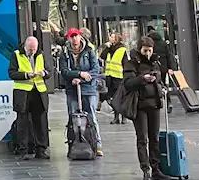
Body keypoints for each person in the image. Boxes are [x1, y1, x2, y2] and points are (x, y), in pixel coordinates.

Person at [123, 37, 167, 180]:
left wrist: (157, 80)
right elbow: (128, 83)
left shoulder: (156, 61)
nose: (147, 53)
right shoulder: (133, 62)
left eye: (150, 50)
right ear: (140, 49)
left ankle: (156, 168)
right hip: (140, 105)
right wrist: (143, 78)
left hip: (154, 102)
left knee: (154, 137)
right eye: (145, 50)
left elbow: (160, 78)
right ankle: (145, 169)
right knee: (142, 138)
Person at [55, 28, 103, 158]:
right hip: (72, 90)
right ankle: (74, 143)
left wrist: (81, 78)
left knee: (92, 117)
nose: (74, 39)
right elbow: (64, 72)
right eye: (71, 37)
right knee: (73, 118)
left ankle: (96, 144)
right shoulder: (64, 54)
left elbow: (95, 70)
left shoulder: (89, 51)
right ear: (68, 39)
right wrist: (78, 74)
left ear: (80, 37)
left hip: (88, 89)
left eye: (76, 36)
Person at [8, 36, 51, 159]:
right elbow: (11, 73)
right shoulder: (16, 55)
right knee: (23, 122)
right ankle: (23, 150)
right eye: (30, 50)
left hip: (39, 92)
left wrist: (44, 73)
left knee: (41, 122)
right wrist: (26, 75)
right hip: (23, 93)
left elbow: (49, 71)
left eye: (34, 49)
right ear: (25, 46)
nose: (32, 52)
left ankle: (41, 149)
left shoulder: (40, 54)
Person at [146, 24, 175, 113]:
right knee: (162, 83)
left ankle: (157, 102)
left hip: (154, 67)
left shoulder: (149, 44)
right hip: (163, 67)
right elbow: (169, 55)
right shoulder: (163, 43)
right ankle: (168, 101)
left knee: (155, 85)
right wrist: (170, 67)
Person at [100, 31, 128, 124]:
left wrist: (126, 76)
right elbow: (102, 56)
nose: (110, 38)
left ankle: (123, 116)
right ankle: (116, 116)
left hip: (119, 77)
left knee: (120, 97)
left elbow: (125, 63)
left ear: (116, 38)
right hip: (110, 76)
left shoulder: (122, 49)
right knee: (112, 98)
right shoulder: (110, 49)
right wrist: (107, 47)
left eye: (112, 37)